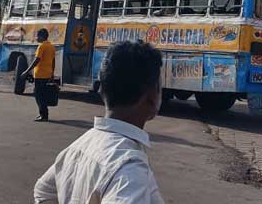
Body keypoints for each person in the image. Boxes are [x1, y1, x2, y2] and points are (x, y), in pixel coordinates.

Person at [34, 41, 164, 203]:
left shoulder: (79, 146)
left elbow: (43, 191)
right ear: (152, 96)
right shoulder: (129, 166)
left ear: (101, 90)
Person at [23, 28, 56, 122]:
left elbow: (37, 60)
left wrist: (26, 71)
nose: (36, 37)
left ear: (42, 36)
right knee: (43, 95)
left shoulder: (41, 47)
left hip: (40, 75)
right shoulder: (51, 46)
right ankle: (44, 114)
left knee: (38, 95)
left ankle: (43, 115)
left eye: (37, 36)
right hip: (47, 74)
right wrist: (52, 73)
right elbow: (53, 61)